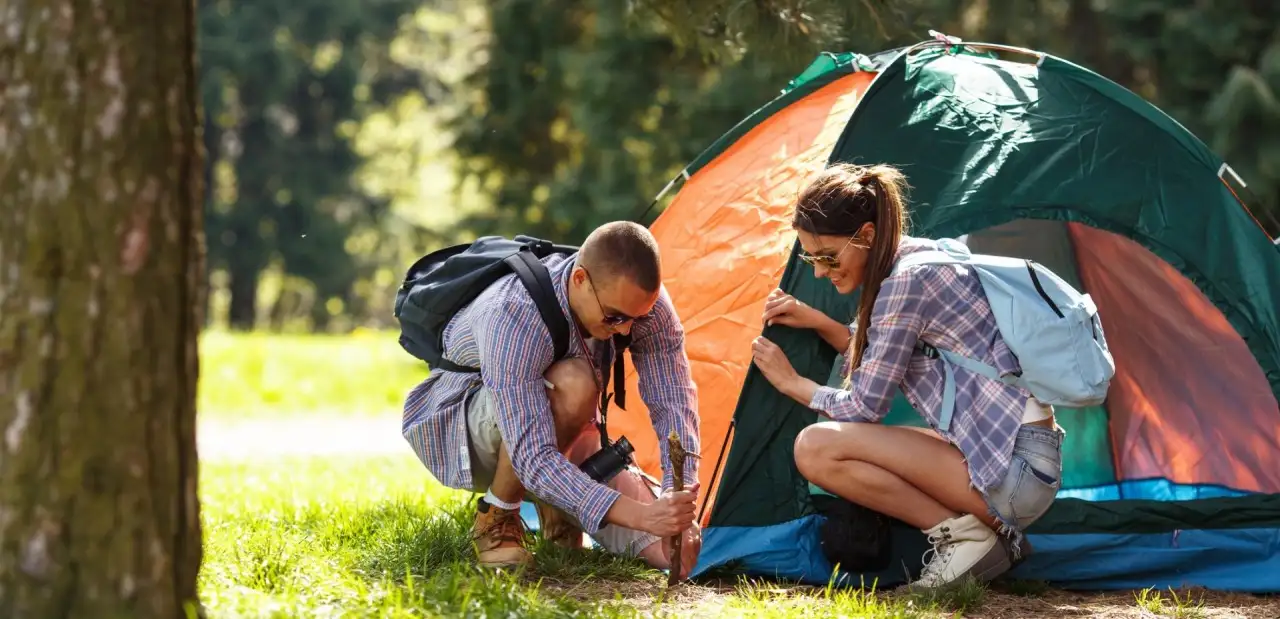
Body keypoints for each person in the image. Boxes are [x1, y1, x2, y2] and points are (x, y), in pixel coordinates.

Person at [749, 163, 1065, 589]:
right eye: (811, 257)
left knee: (816, 447)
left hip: (1017, 473)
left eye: (826, 256)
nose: (820, 271)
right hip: (1026, 458)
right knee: (878, 440)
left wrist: (794, 385)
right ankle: (994, 538)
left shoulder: (905, 284)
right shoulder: (921, 257)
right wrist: (822, 324)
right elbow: (888, 354)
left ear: (865, 235)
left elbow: (866, 405)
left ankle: (965, 539)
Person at [401, 221, 702, 576]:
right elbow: (532, 457)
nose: (625, 330)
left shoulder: (641, 307)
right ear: (579, 280)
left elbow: (674, 403)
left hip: (562, 431)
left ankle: (558, 513)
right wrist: (643, 515)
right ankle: (496, 518)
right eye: (615, 317)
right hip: (468, 425)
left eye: (637, 319)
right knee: (574, 383)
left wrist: (675, 498)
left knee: (676, 559)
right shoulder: (512, 312)